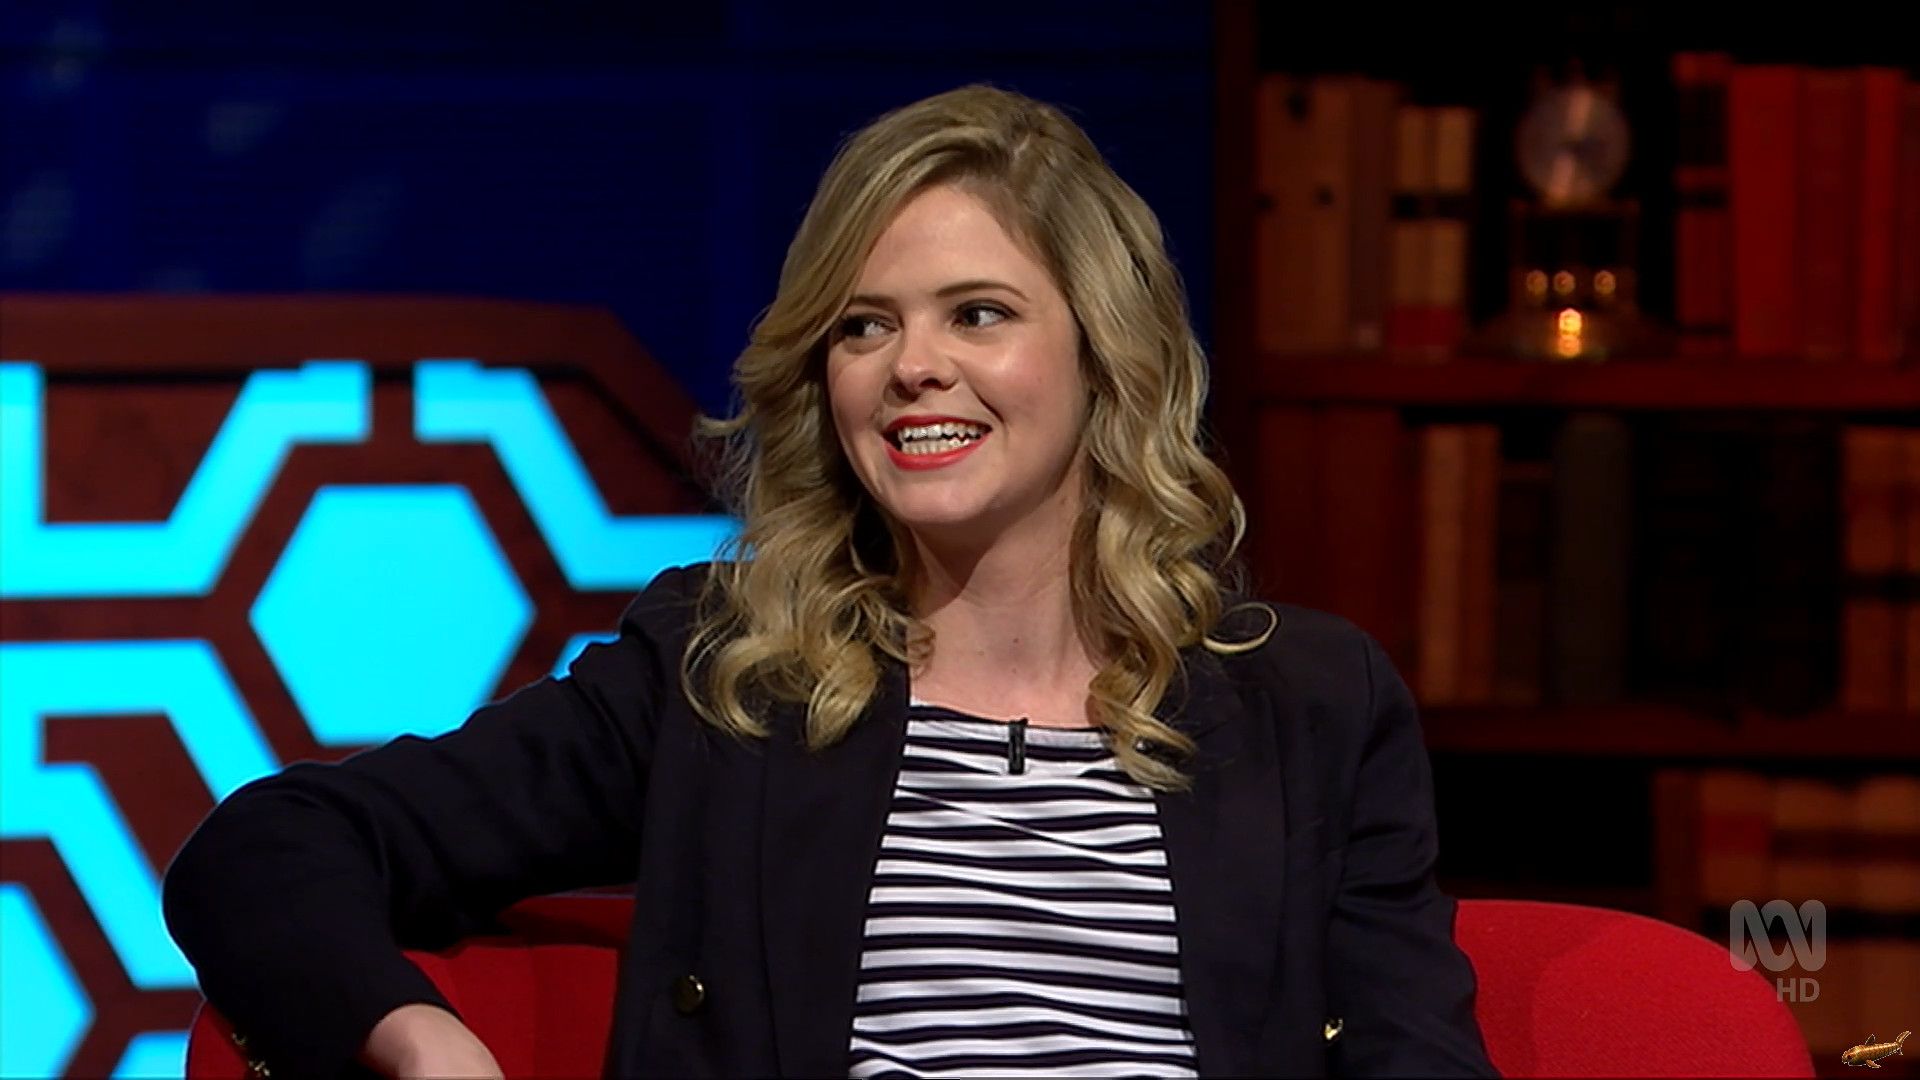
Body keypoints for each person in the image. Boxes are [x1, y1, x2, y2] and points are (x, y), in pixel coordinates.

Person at [163, 83, 1497, 1079]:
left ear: (1106, 356)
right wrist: (421, 1042)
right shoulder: (728, 678)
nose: (913, 366)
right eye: (865, 326)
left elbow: (1412, 1051)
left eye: (978, 313)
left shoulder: (1310, 703)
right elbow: (268, 850)